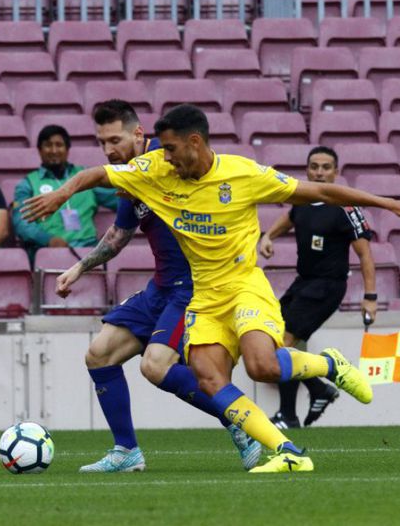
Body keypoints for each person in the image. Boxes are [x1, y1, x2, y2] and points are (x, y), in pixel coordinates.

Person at [22, 104, 400, 474]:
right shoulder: (149, 175)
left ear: (187, 142)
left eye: (167, 148)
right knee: (163, 369)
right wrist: (68, 220)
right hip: (191, 292)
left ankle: (321, 370)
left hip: (229, 286)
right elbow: (108, 204)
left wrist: (391, 204)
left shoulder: (240, 173)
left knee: (247, 366)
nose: (161, 156)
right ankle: (282, 450)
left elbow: (321, 192)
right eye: (103, 141)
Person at [55, 100, 261, 473]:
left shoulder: (169, 159)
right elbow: (119, 235)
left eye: (114, 140)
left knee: (156, 366)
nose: (108, 150)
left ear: (139, 133)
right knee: (99, 355)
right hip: (161, 287)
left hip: (194, 287)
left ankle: (237, 415)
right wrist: (79, 267)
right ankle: (126, 451)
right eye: (101, 143)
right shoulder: (131, 179)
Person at [258, 146, 376, 429]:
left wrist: (370, 297)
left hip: (327, 287)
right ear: (307, 169)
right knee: (273, 340)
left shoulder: (345, 207)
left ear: (336, 172)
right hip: (304, 283)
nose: (319, 173)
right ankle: (317, 390)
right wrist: (267, 236)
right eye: (314, 167)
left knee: (281, 345)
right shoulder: (302, 199)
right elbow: (289, 218)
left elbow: (365, 255)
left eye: (326, 167)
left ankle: (289, 414)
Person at [12, 125, 118, 260]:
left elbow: (118, 200)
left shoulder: (85, 177)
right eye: (48, 145)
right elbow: (22, 222)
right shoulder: (27, 184)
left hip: (89, 250)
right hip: (48, 252)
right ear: (39, 150)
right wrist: (48, 240)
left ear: (67, 149)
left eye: (59, 145)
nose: (54, 150)